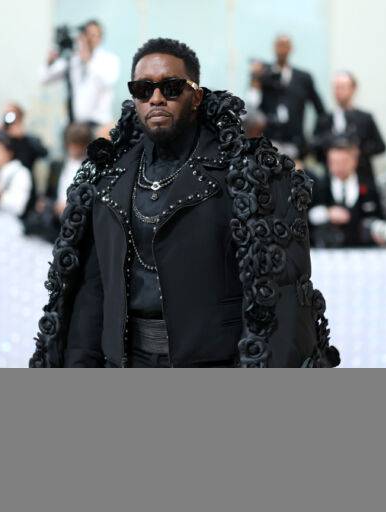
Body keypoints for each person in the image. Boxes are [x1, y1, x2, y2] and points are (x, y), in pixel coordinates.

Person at [28, 37, 339, 368]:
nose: (156, 98)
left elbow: (281, 299)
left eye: (172, 87)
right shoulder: (110, 177)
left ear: (197, 96)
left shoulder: (243, 177)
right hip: (126, 361)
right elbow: (92, 291)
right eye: (143, 89)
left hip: (214, 363)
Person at [307, 135, 386, 248]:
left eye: (343, 162)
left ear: (355, 160)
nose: (339, 167)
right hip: (327, 250)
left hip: (362, 250)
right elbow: (307, 218)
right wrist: (327, 213)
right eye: (334, 162)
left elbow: (379, 216)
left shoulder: (369, 186)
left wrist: (380, 232)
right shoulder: (319, 185)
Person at [248, 35, 325, 159]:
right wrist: (256, 78)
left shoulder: (303, 78)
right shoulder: (263, 73)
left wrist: (315, 139)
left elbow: (320, 110)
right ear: (274, 48)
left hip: (295, 142)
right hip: (268, 141)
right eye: (279, 46)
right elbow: (252, 105)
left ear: (291, 49)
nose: (282, 50)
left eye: (285, 46)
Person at [41, 19, 119, 127]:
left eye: (93, 35)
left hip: (98, 124)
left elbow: (107, 82)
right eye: (86, 34)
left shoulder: (110, 60)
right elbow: (44, 79)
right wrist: (49, 62)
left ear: (100, 38)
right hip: (75, 125)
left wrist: (88, 61)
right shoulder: (73, 59)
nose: (88, 39)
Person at [313, 71, 386, 183]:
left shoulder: (365, 118)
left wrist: (358, 149)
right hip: (331, 180)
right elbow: (314, 146)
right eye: (336, 87)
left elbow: (380, 146)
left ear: (353, 89)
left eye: (342, 87)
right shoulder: (324, 119)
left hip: (361, 177)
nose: (338, 91)